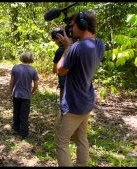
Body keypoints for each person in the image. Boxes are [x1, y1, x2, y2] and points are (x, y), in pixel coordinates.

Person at [55, 11, 105, 166]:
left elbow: (60, 70)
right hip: (87, 100)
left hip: (73, 104)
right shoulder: (99, 44)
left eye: (74, 25)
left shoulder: (76, 47)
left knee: (61, 142)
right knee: (82, 139)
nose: (71, 29)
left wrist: (67, 47)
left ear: (83, 25)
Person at [9, 51, 39, 139]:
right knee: (24, 114)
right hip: (26, 96)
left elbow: (11, 82)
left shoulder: (15, 68)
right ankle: (24, 132)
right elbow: (36, 85)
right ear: (31, 59)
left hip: (16, 94)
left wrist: (11, 92)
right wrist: (32, 92)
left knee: (16, 111)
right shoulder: (33, 70)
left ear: (21, 58)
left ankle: (15, 127)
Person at [51, 28, 66, 102]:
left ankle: (63, 112)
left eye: (55, 40)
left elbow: (55, 69)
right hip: (74, 81)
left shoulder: (59, 51)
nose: (55, 42)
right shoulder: (73, 47)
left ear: (58, 39)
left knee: (63, 99)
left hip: (63, 80)